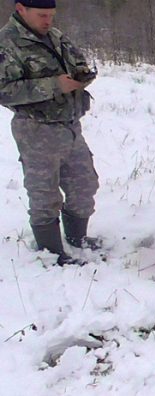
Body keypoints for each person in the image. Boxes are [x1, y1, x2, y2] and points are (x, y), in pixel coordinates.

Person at [0, 0, 100, 265]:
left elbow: (76, 61)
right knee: (44, 193)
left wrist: (81, 75)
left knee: (84, 184)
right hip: (35, 128)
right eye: (42, 15)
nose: (48, 21)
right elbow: (4, 90)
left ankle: (78, 238)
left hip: (70, 125)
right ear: (21, 9)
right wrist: (54, 85)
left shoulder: (54, 35)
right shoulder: (7, 43)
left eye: (52, 15)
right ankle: (50, 252)